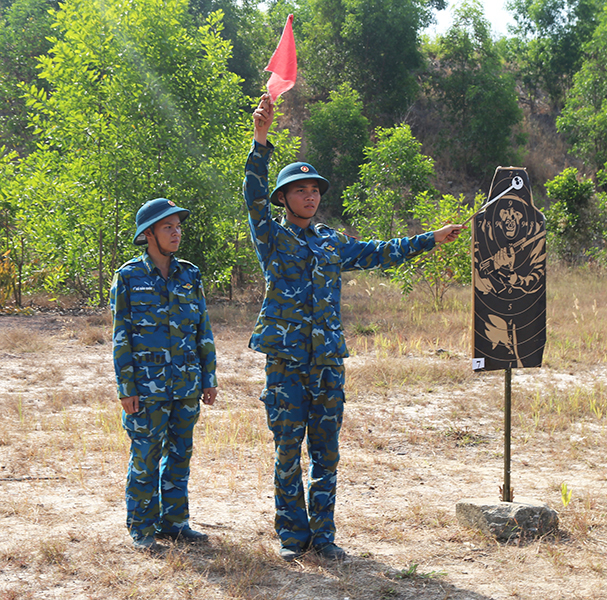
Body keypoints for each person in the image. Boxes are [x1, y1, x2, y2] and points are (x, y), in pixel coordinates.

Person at [243, 92, 464, 562]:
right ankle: (292, 536)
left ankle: (323, 537)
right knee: (288, 453)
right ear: (283, 198)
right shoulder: (272, 237)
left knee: (326, 455)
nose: (310, 195)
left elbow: (378, 252)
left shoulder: (331, 243)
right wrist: (260, 142)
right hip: (286, 364)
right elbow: (253, 197)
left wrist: (430, 239)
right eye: (300, 190)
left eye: (315, 190)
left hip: (327, 363)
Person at [110, 198, 218, 551]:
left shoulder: (190, 274)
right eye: (167, 227)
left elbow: (203, 329)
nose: (176, 233)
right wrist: (126, 387)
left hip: (186, 384)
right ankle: (141, 529)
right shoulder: (128, 277)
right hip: (147, 388)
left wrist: (209, 377)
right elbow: (121, 336)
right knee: (146, 458)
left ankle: (174, 524)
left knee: (180, 455)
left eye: (178, 226)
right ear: (149, 233)